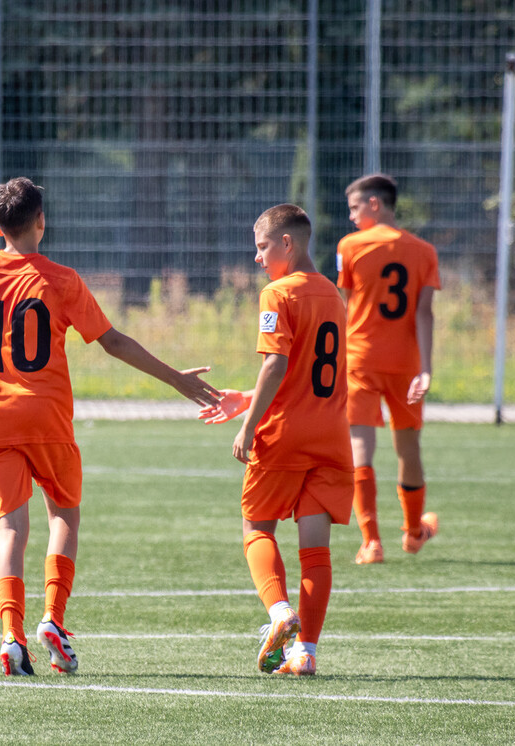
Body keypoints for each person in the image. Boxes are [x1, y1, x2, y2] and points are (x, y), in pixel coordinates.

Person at [0, 176, 219, 676]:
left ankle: (11, 635)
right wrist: (174, 378)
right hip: (46, 417)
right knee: (63, 516)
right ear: (42, 221)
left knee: (10, 531)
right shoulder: (61, 279)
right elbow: (113, 342)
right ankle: (54, 620)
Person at [200, 204, 353, 676]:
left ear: (287, 244)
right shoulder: (332, 294)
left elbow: (278, 363)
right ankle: (304, 652)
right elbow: (307, 371)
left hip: (284, 436)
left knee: (257, 528)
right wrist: (247, 399)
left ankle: (279, 612)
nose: (257, 257)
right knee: (316, 549)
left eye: (262, 246)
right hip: (330, 437)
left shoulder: (277, 294)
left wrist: (249, 425)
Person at [337, 174, 441, 565]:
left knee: (360, 445)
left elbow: (344, 306)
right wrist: (426, 369)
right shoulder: (423, 250)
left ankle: (371, 542)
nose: (351, 217)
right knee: (408, 447)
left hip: (360, 359)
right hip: (406, 365)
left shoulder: (349, 247)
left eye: (355, 208)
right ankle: (414, 533)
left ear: (375, 204)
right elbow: (425, 313)